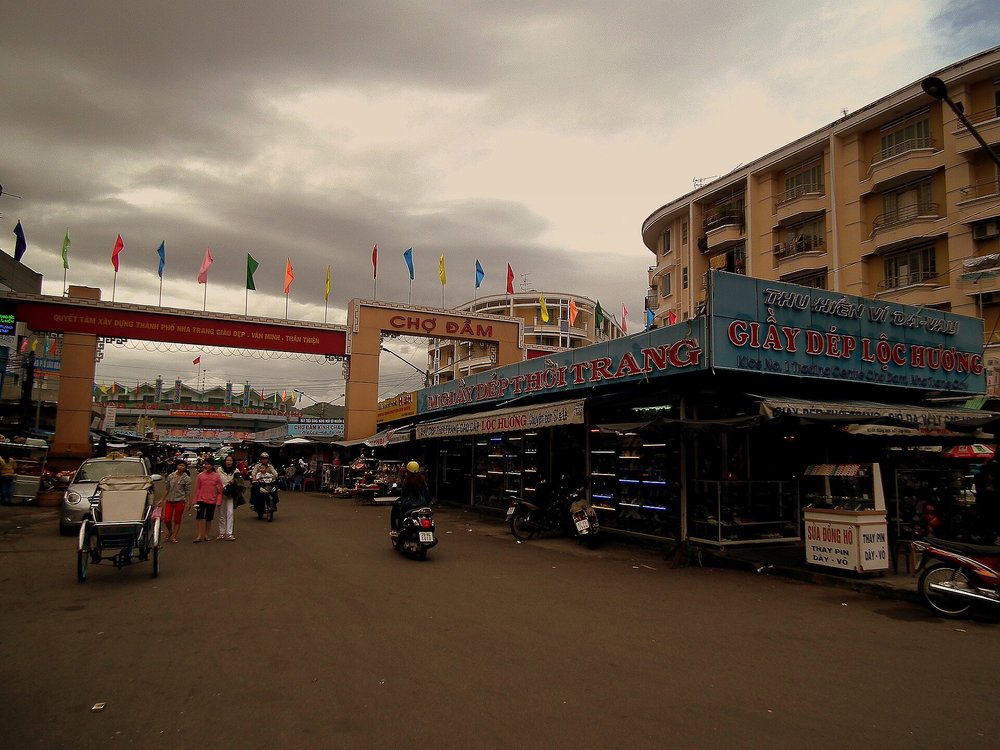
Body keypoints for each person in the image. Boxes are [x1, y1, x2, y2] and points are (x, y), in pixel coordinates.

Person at [159, 460, 193, 543]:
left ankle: (174, 536)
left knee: (177, 520)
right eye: (179, 465)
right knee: (167, 519)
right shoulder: (171, 476)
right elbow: (167, 489)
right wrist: (161, 499)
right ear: (177, 466)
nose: (181, 467)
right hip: (169, 501)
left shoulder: (187, 478)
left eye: (183, 466)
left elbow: (187, 492)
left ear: (185, 468)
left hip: (180, 501)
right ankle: (170, 531)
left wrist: (188, 502)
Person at [390, 460, 428, 532]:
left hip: (409, 504)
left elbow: (403, 494)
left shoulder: (407, 480)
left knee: (398, 509)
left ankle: (397, 529)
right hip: (423, 503)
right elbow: (427, 493)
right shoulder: (422, 479)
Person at [192, 457, 223, 543]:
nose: (207, 466)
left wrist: (219, 501)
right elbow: (197, 489)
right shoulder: (200, 476)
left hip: (212, 500)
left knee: (209, 518)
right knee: (199, 517)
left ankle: (206, 535)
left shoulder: (216, 476)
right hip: (201, 500)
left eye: (209, 464)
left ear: (212, 465)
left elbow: (220, 490)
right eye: (205, 464)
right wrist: (195, 501)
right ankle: (199, 535)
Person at [216, 454, 241, 541]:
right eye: (227, 460)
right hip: (221, 494)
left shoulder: (236, 471)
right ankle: (222, 532)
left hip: (230, 494)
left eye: (230, 460)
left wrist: (234, 481)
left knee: (230, 513)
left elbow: (239, 481)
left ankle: (229, 533)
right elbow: (216, 481)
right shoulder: (219, 470)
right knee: (221, 514)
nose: (229, 462)